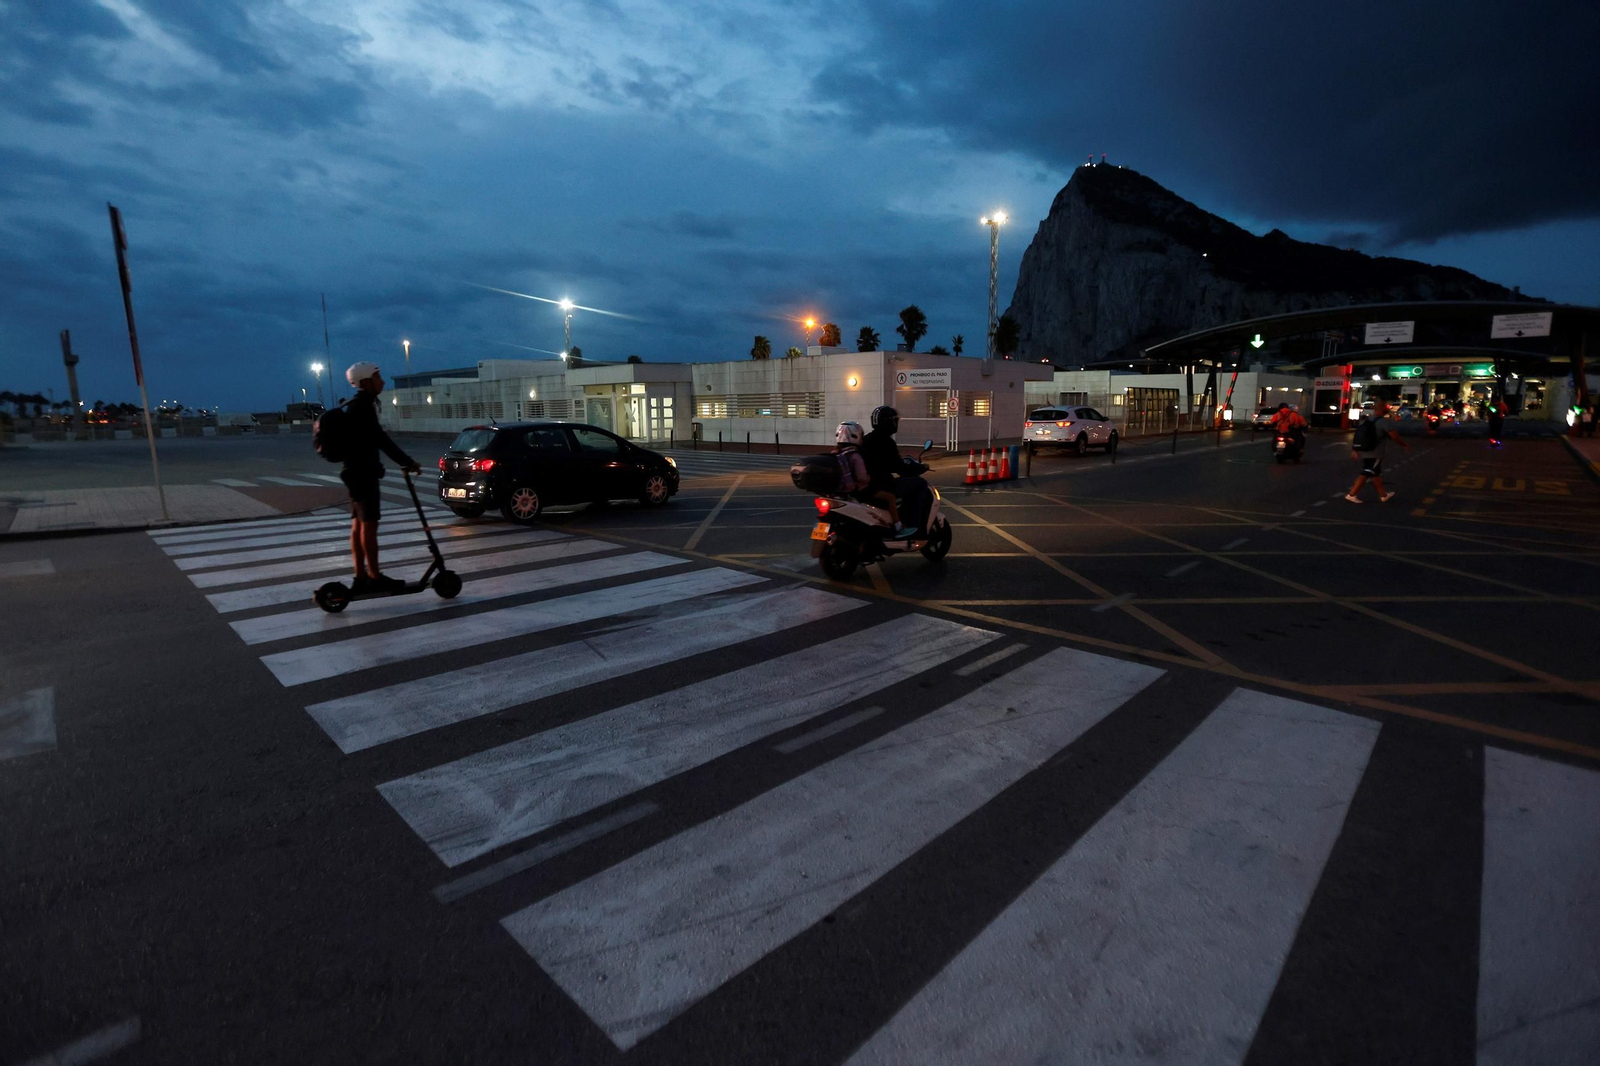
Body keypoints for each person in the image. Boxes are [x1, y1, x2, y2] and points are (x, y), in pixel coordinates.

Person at [341, 362, 421, 590]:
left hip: (353, 473)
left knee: (358, 526)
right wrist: (408, 462)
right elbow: (381, 440)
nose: (382, 381)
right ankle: (374, 577)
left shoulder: (355, 405)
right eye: (378, 377)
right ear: (366, 381)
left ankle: (360, 576)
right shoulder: (363, 407)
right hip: (363, 475)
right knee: (369, 526)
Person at [860, 405, 930, 538]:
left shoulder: (867, 439)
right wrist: (920, 468)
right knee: (920, 484)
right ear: (889, 422)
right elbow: (899, 468)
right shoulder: (887, 442)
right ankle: (913, 525)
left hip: (868, 485)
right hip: (882, 484)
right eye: (895, 420)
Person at [1345, 398, 1410, 503]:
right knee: (1367, 472)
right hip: (1375, 452)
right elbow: (1394, 436)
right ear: (1384, 409)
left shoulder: (1366, 420)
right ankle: (1352, 494)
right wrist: (1404, 445)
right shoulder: (1384, 422)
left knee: (1375, 473)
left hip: (1365, 450)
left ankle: (1383, 495)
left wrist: (1355, 449)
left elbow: (1358, 436)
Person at [835, 420, 896, 520]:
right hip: (861, 491)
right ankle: (898, 525)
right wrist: (869, 478)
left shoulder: (836, 453)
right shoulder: (855, 456)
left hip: (844, 491)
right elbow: (862, 477)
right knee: (890, 498)